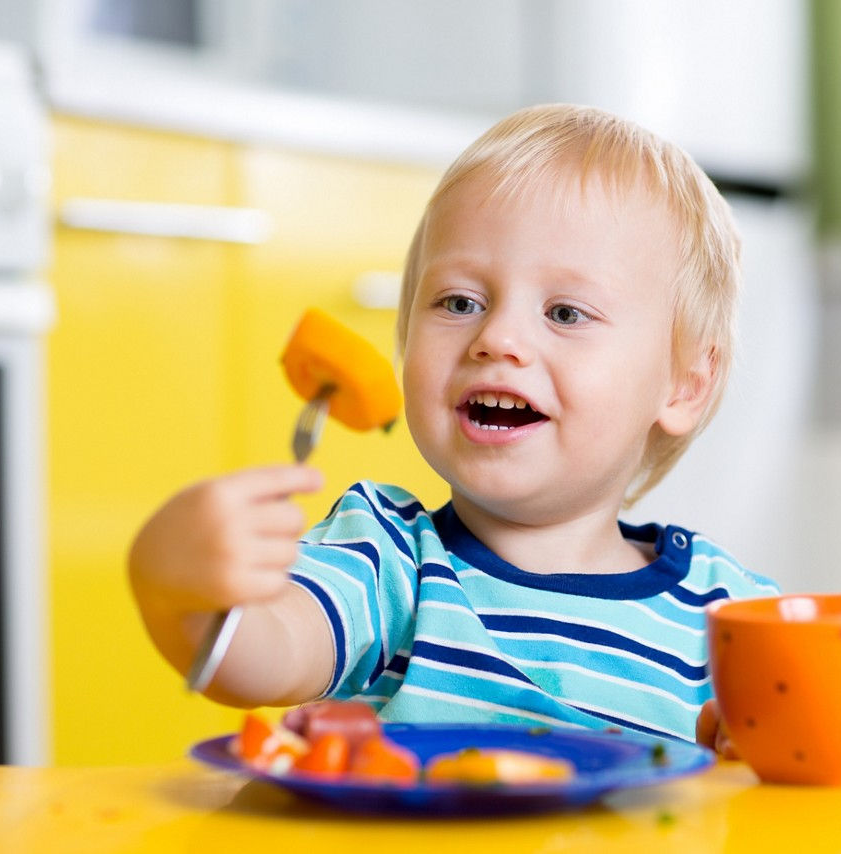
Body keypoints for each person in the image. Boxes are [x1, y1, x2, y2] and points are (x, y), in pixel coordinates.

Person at [128, 104, 778, 751]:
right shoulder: (386, 561)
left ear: (685, 384)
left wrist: (761, 760)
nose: (497, 338)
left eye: (565, 313)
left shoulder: (730, 620)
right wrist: (179, 591)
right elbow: (265, 652)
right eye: (460, 302)